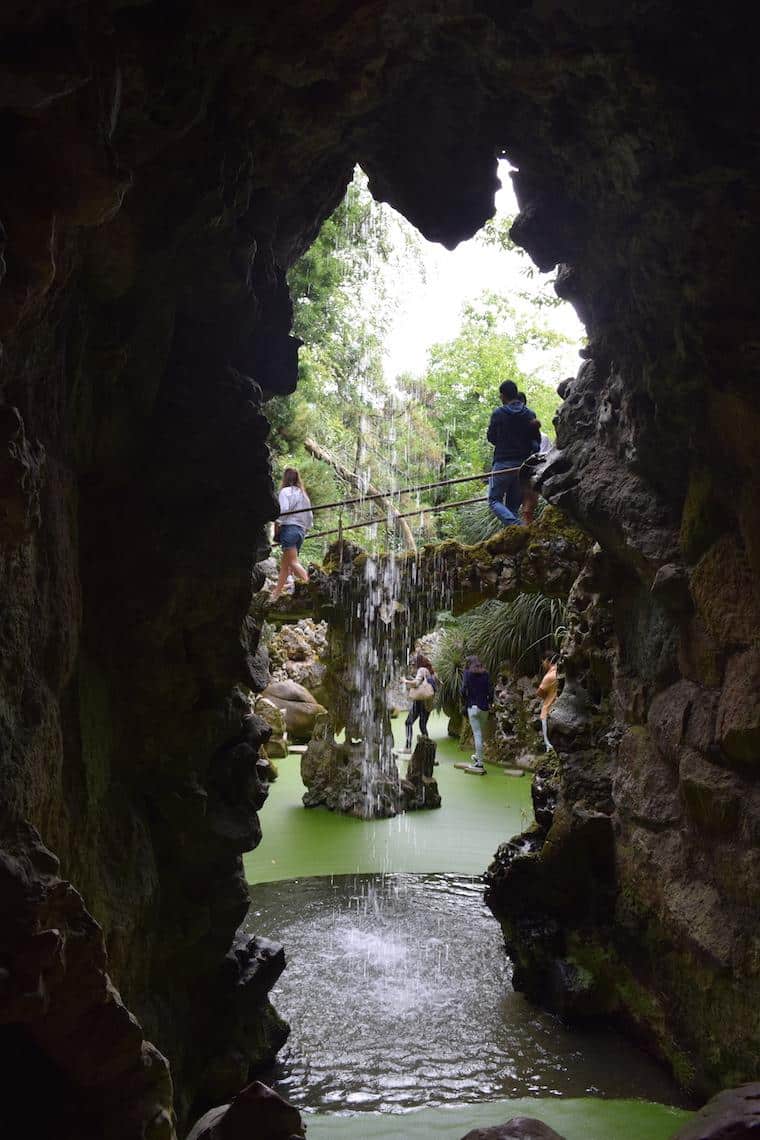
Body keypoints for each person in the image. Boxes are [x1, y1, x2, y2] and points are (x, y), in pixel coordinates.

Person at [487, 380, 540, 526]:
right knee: (512, 507)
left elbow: (491, 437)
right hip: (522, 466)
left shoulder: (498, 414)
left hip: (502, 463)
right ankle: (517, 539)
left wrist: (503, 441)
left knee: (494, 500)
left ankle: (519, 527)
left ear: (503, 396)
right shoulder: (529, 414)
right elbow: (536, 441)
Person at [270, 467, 314, 601]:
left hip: (289, 530)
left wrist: (278, 523)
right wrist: (306, 529)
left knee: (293, 563)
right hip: (300, 531)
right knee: (285, 565)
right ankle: (276, 594)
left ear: (285, 478)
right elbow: (310, 516)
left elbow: (283, 509)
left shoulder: (285, 492)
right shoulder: (303, 494)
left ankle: (312, 587)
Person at [461, 655, 493, 772]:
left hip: (472, 707)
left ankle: (479, 763)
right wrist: (490, 702)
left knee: (477, 734)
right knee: (480, 733)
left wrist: (466, 699)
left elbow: (463, 690)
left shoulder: (467, 674)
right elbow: (491, 690)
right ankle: (477, 755)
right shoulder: (486, 674)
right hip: (484, 707)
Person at [401, 653, 436, 752]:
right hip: (428, 702)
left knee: (408, 722)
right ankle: (428, 750)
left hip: (419, 702)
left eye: (414, 662)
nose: (413, 664)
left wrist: (405, 681)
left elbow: (416, 683)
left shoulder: (421, 670)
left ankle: (408, 747)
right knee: (423, 725)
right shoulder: (430, 671)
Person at [537, 656, 558, 752]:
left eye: (543, 661)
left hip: (548, 709)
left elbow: (539, 692)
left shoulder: (549, 676)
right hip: (560, 708)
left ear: (547, 661)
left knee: (549, 743)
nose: (542, 664)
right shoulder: (560, 671)